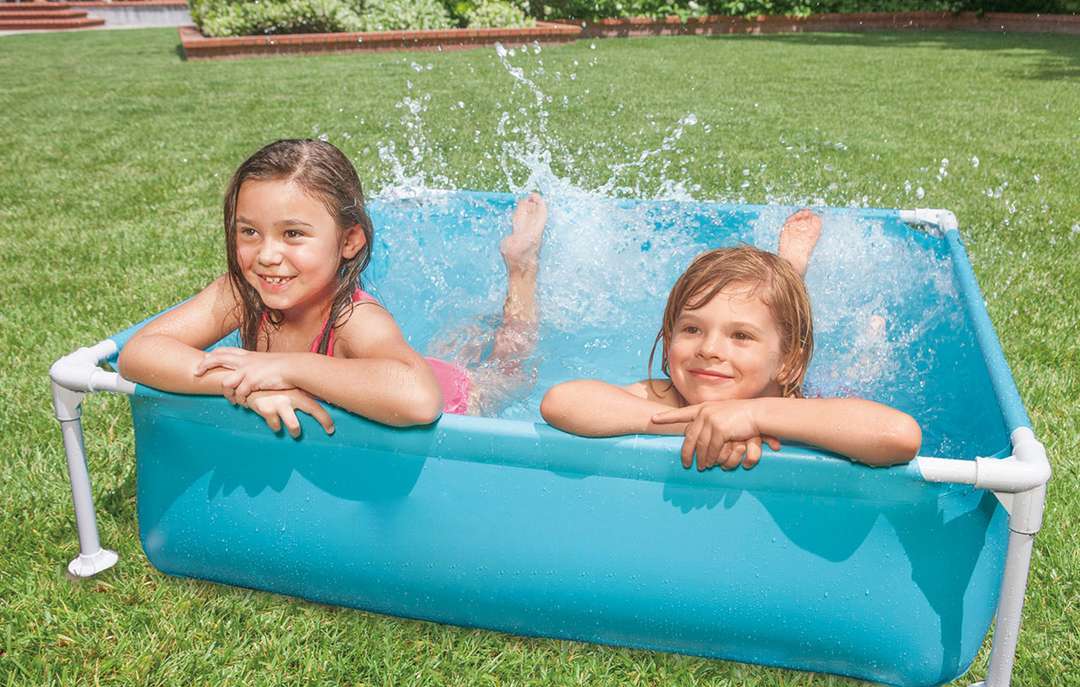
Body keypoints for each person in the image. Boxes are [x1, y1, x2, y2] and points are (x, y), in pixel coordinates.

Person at [118, 139, 546, 437]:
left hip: (451, 395)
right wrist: (247, 385)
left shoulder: (355, 318)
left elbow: (419, 400)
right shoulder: (242, 293)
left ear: (349, 241)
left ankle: (521, 267)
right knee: (453, 347)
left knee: (508, 369)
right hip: (380, 375)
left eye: (292, 234)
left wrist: (287, 368)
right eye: (249, 231)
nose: (266, 255)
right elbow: (140, 353)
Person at [540, 210, 922, 470]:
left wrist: (752, 415)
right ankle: (782, 283)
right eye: (691, 329)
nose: (708, 349)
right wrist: (702, 424)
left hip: (786, 386)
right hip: (771, 360)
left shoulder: (795, 404)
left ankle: (791, 273)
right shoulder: (671, 397)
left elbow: (899, 436)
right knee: (769, 316)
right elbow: (562, 402)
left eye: (740, 336)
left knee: (850, 372)